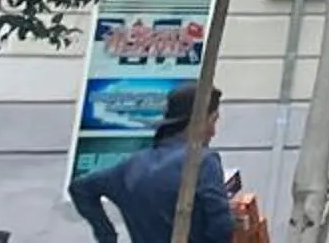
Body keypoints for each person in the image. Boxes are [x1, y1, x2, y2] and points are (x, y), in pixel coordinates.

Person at [68, 82, 234, 243]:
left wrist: (106, 235)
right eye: (213, 121)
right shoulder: (202, 161)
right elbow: (221, 226)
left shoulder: (130, 167)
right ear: (197, 121)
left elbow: (80, 188)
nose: (213, 132)